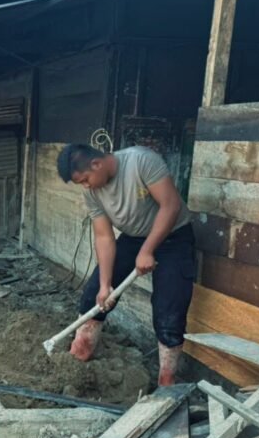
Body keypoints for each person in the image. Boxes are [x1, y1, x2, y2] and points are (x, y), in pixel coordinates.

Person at [56, 143, 195, 387]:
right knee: (93, 297)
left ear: (96, 164)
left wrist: (147, 250)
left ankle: (167, 382)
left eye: (85, 180)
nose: (85, 186)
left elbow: (170, 205)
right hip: (133, 238)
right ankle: (79, 355)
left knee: (168, 312)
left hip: (174, 237)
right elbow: (104, 237)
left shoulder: (141, 161)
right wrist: (105, 285)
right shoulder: (92, 192)